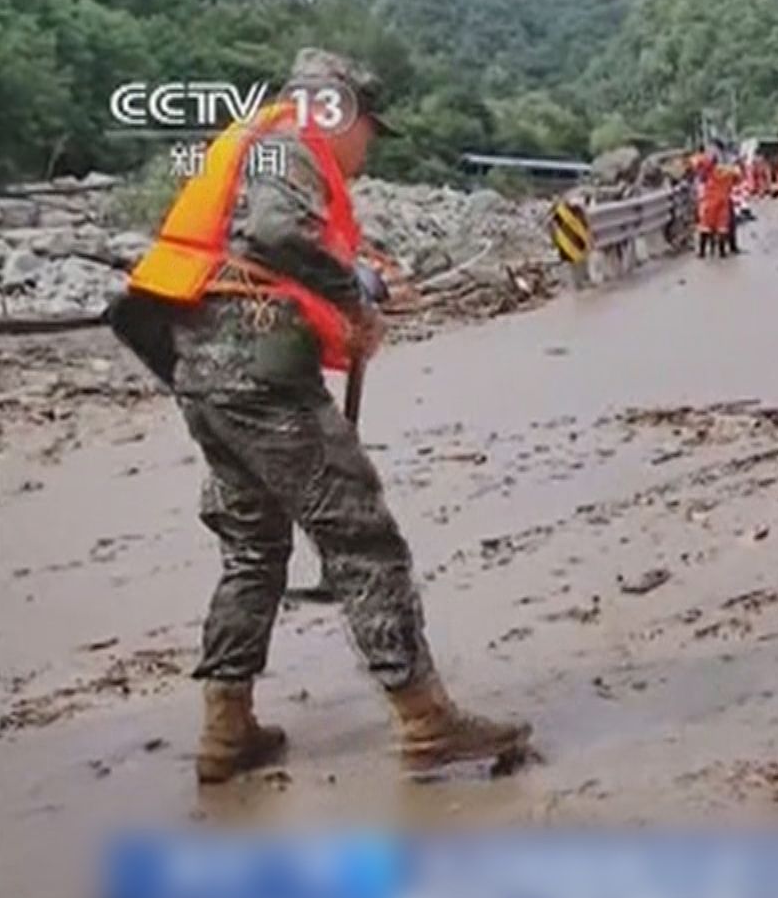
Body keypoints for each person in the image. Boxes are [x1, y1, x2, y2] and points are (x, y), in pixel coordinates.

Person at [115, 49, 530, 782]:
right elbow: (277, 233)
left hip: (203, 371)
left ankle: (227, 726)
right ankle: (426, 718)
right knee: (363, 540)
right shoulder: (294, 142)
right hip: (259, 373)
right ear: (342, 112)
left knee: (252, 549)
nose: (369, 148)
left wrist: (347, 286)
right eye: (370, 130)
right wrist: (353, 300)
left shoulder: (257, 143)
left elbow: (254, 243)